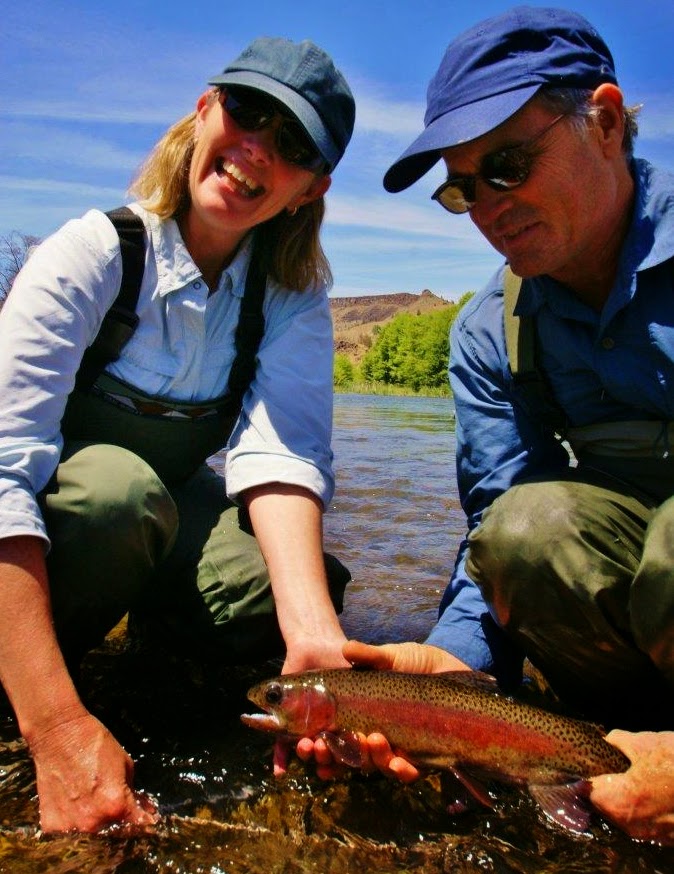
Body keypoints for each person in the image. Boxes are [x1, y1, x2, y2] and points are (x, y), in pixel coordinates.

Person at [296, 7, 674, 846]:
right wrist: (460, 673)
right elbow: (493, 535)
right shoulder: (485, 333)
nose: (485, 208)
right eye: (461, 186)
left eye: (507, 164)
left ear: (606, 123)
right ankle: (609, 741)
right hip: (637, 639)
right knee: (526, 528)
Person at [0, 37, 356, 834]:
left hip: (157, 525)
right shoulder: (90, 255)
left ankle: (149, 662)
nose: (258, 145)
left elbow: (281, 459)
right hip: (71, 520)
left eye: (292, 144)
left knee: (301, 588)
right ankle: (28, 682)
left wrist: (315, 651)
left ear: (311, 189)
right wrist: (54, 729)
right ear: (203, 111)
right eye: (247, 110)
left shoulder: (290, 299)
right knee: (119, 494)